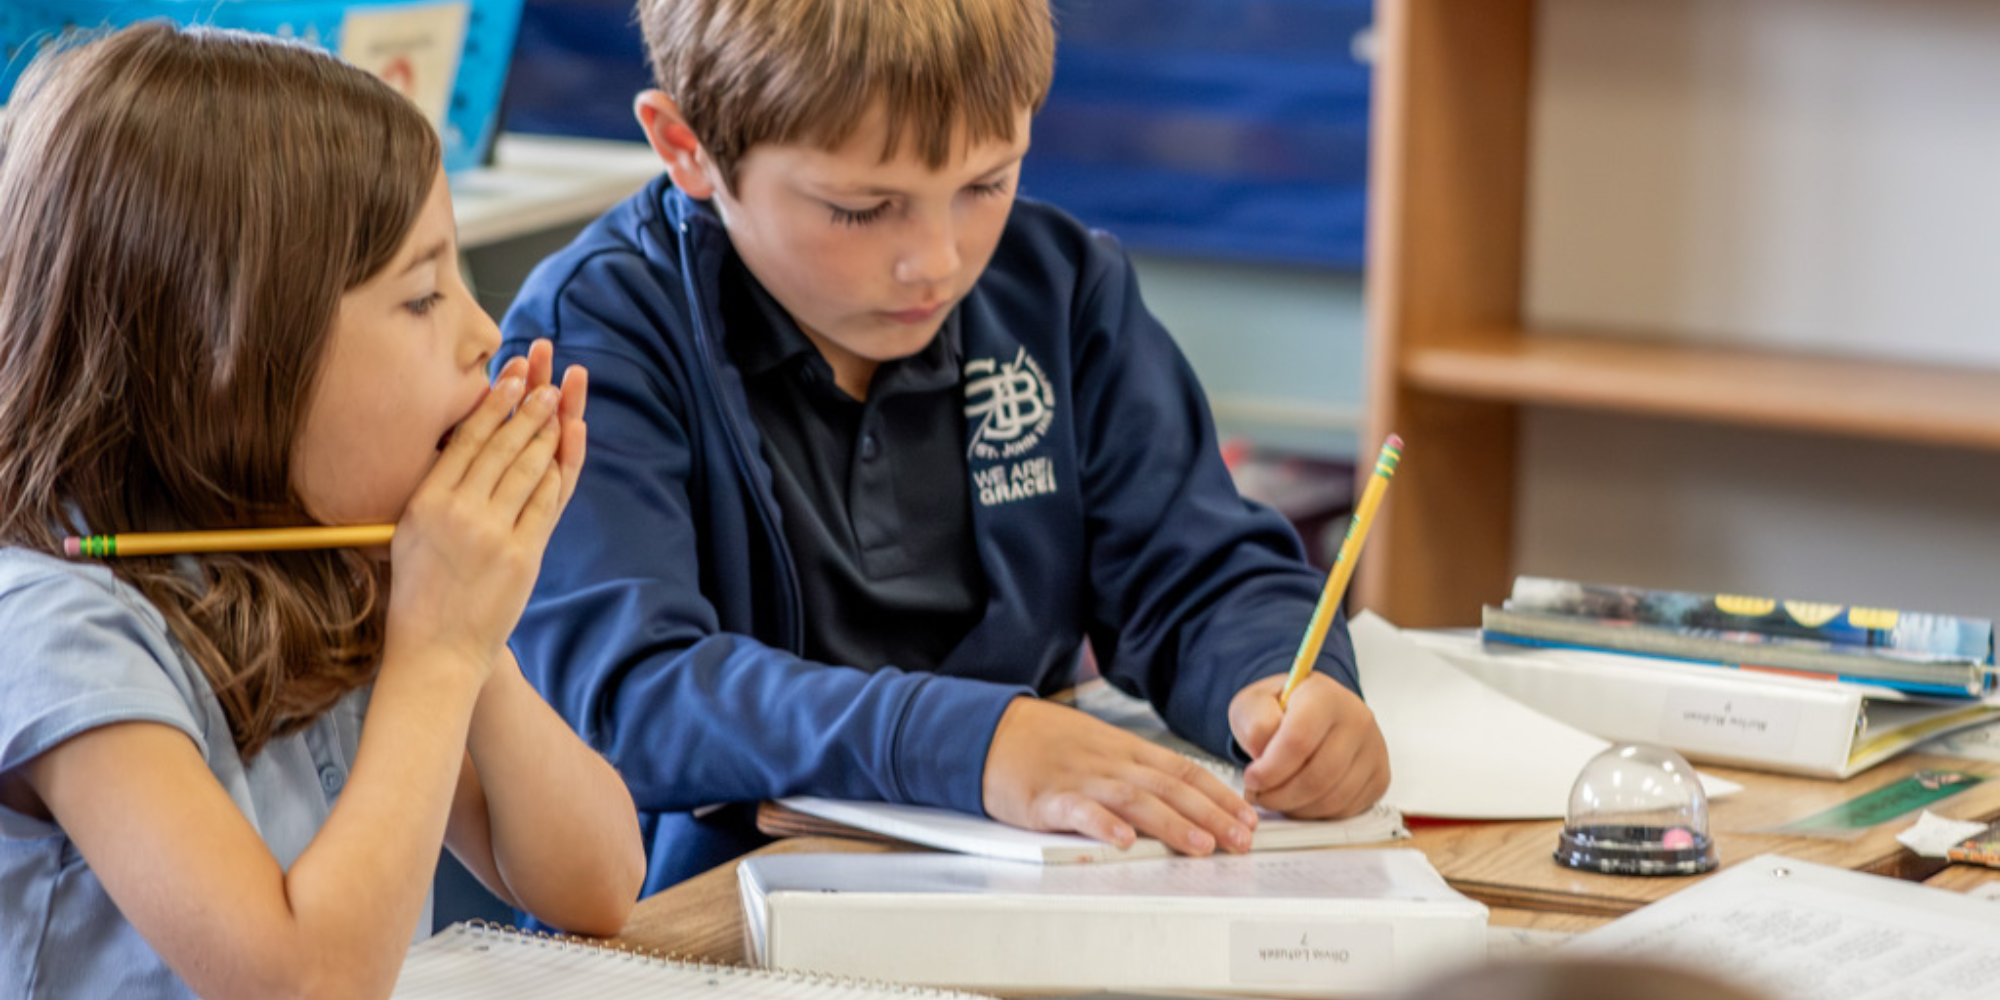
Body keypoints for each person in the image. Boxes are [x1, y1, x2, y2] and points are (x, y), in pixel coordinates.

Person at [498, 0, 1392, 895]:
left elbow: (1197, 570)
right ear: (688, 147)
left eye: (986, 185)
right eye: (862, 209)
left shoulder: (1060, 290)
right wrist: (974, 743)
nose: (933, 260)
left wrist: (1280, 680)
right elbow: (636, 690)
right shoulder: (596, 334)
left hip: (1033, 888)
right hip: (697, 919)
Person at [0, 23, 644, 1000]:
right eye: (425, 295)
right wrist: (437, 650)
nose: (485, 332)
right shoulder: (57, 630)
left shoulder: (336, 560)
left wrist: (480, 641)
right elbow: (307, 984)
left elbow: (595, 885)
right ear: (229, 362)